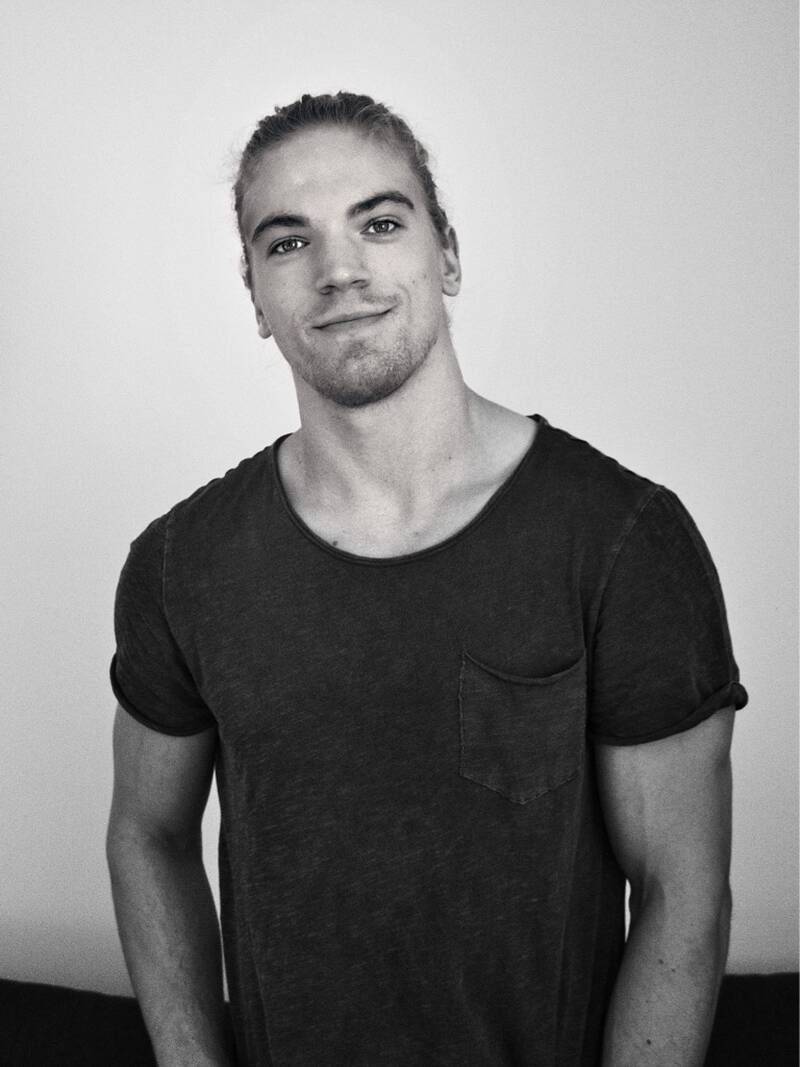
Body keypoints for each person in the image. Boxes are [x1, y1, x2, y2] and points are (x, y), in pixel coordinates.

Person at [106, 91, 748, 1067]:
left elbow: (681, 892)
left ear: (446, 253)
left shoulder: (622, 542)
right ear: (254, 295)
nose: (338, 270)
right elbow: (147, 833)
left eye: (379, 223)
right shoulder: (180, 564)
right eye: (288, 242)